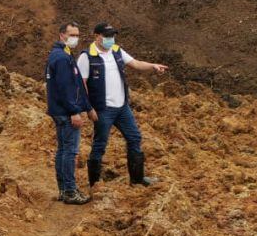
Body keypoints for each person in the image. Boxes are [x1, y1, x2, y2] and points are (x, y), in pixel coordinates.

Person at [77, 23, 169, 187]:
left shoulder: (117, 51)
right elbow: (81, 83)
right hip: (103, 109)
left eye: (112, 36)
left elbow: (136, 63)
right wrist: (88, 108)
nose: (110, 39)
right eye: (106, 36)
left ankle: (137, 178)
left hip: (122, 107)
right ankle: (95, 183)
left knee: (134, 138)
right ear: (96, 36)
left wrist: (153, 66)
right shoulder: (87, 56)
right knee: (100, 144)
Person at [45, 22, 96, 205]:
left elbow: (75, 86)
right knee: (70, 151)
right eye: (71, 34)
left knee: (62, 150)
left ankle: (63, 189)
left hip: (59, 110)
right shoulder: (61, 58)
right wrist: (75, 111)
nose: (75, 38)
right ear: (61, 35)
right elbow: (67, 89)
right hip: (65, 112)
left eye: (77, 35)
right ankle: (69, 191)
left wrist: (88, 107)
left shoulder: (61, 55)